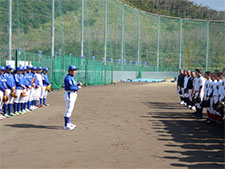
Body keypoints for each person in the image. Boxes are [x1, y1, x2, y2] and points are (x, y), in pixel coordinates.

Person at [64, 65, 82, 130]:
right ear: (70, 71)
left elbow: (73, 85)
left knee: (70, 109)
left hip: (73, 94)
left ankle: (68, 123)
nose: (75, 72)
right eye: (74, 70)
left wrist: (77, 84)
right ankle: (66, 125)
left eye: (75, 70)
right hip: (69, 94)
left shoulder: (72, 78)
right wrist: (78, 87)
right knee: (68, 109)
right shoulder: (68, 78)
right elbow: (70, 87)